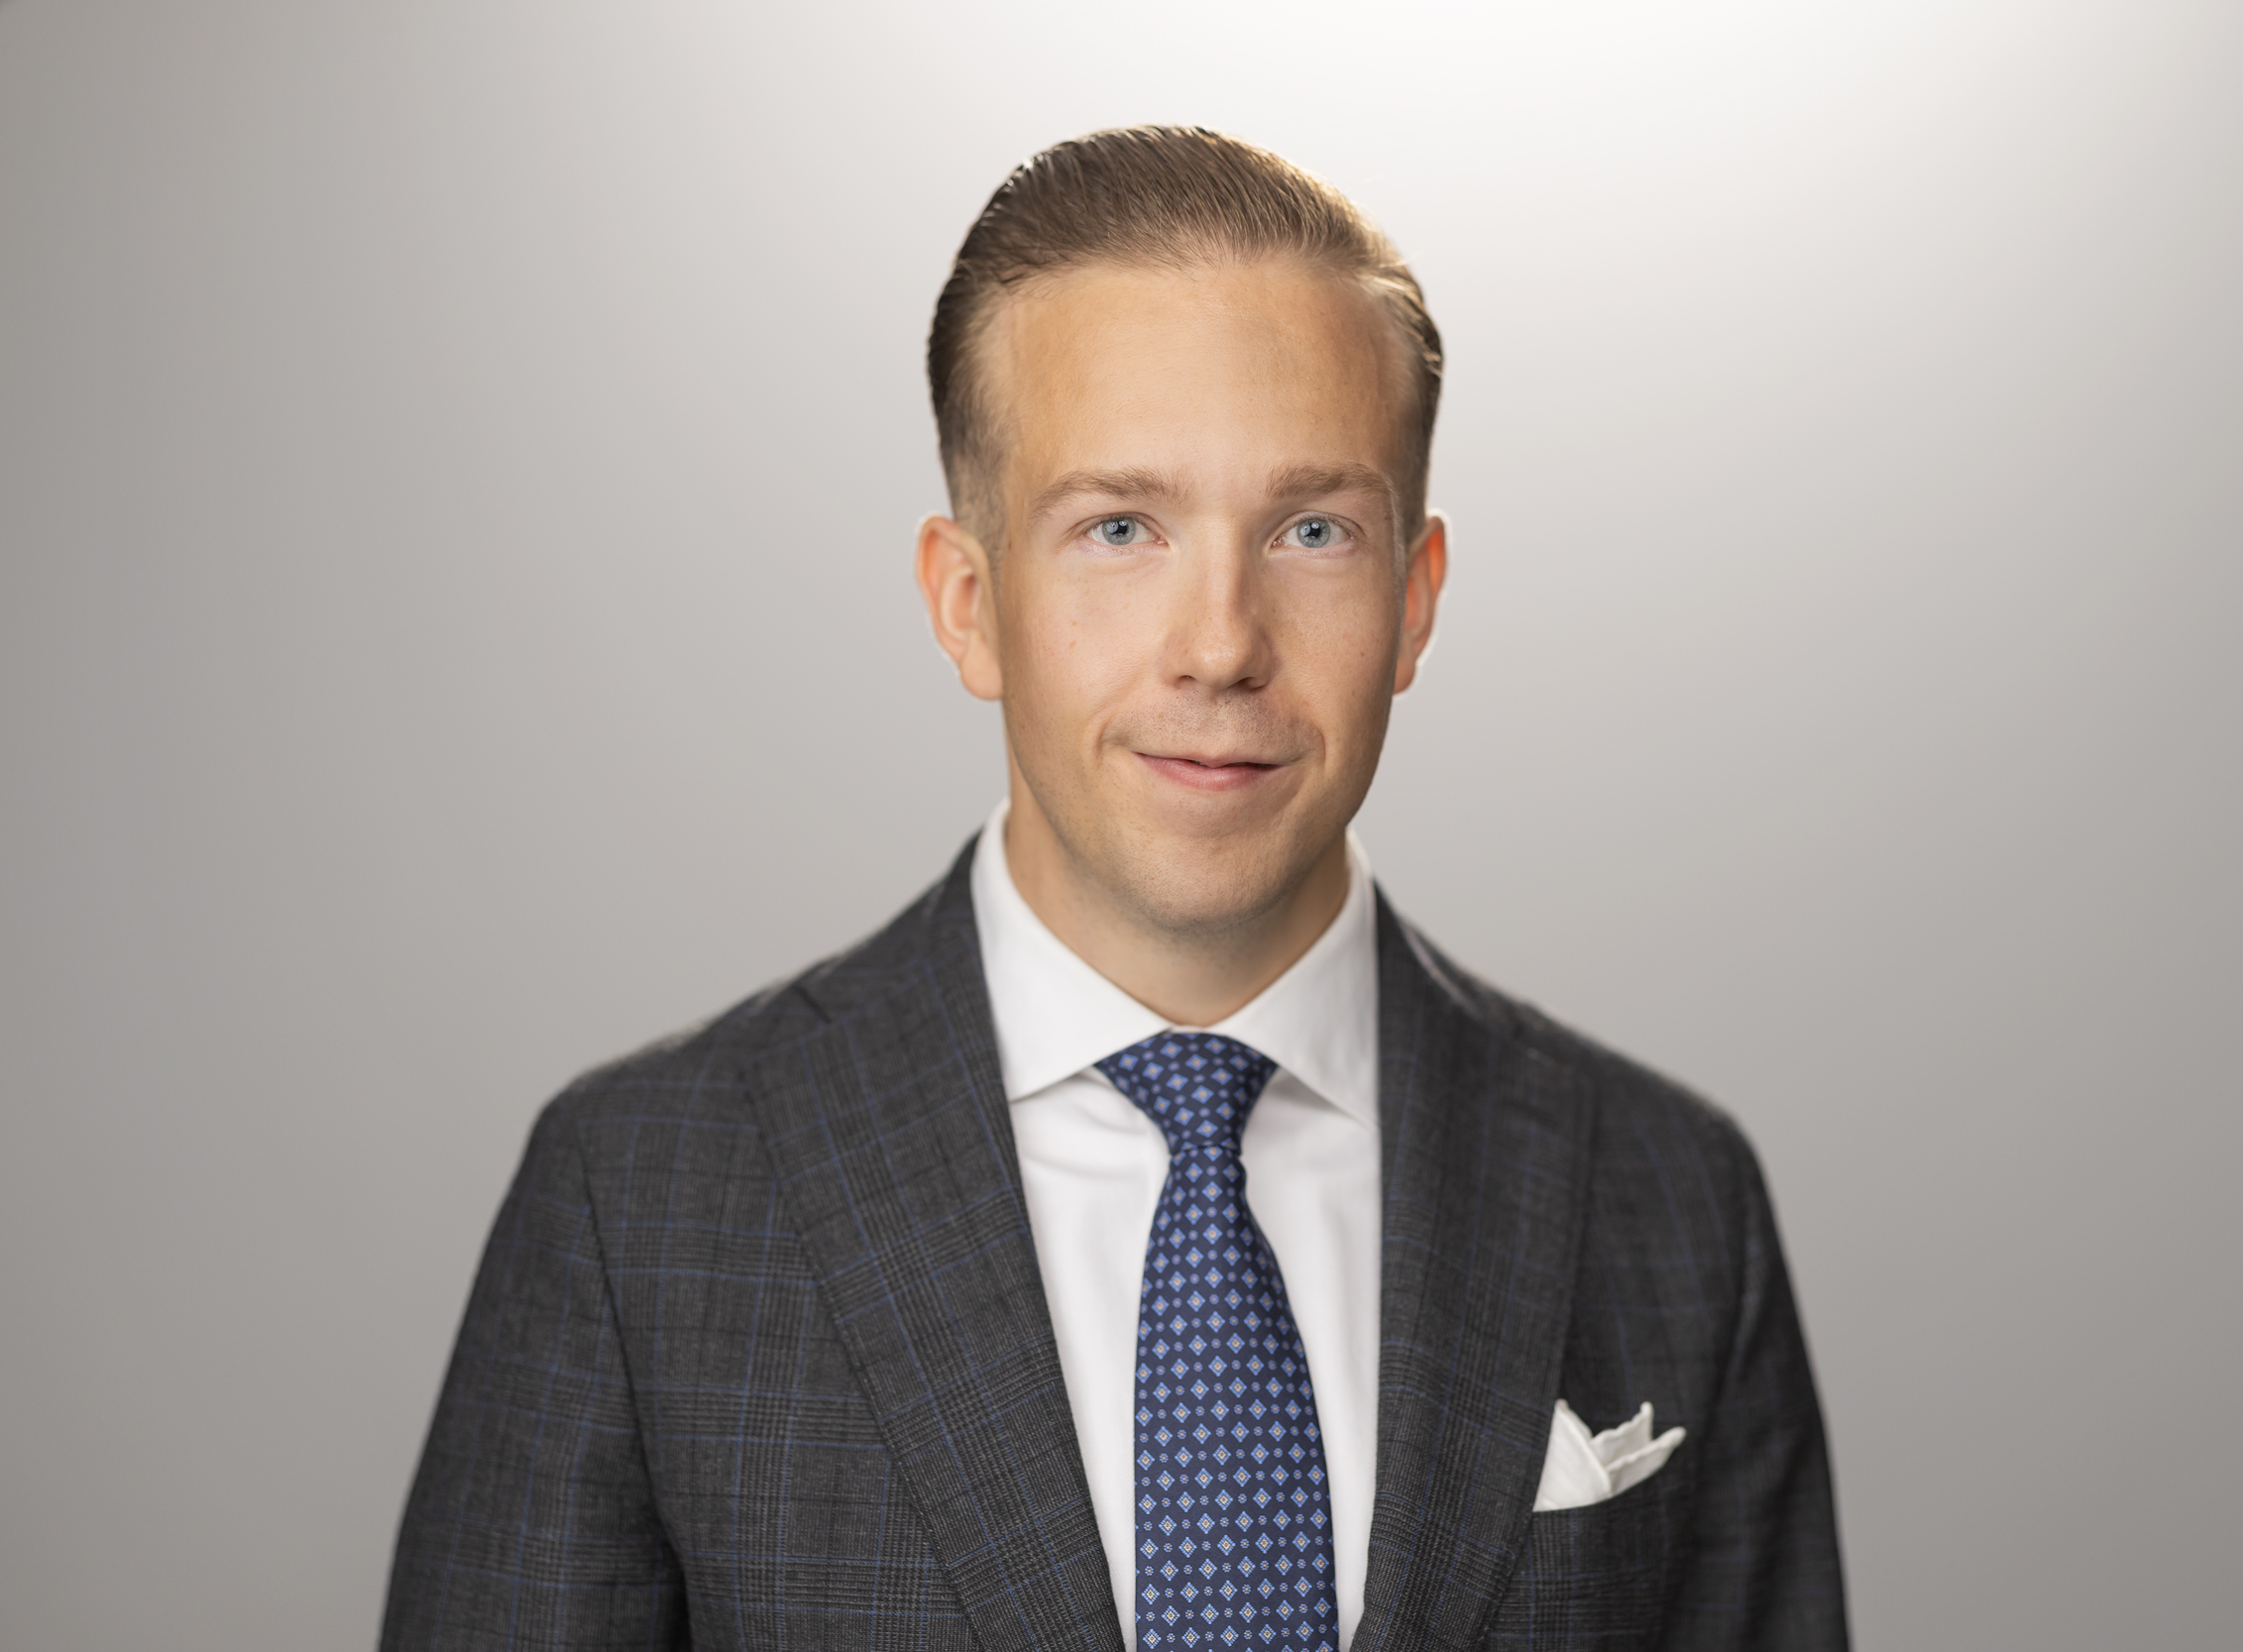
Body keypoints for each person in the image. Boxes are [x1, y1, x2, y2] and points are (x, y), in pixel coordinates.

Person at [383, 126, 1846, 1652]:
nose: (1220, 645)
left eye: (1314, 530)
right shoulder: (643, 1202)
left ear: (1414, 602)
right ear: (970, 603)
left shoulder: (1674, 1199)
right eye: (1121, 529)